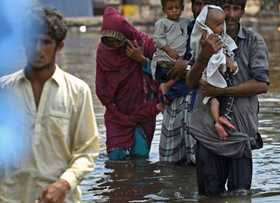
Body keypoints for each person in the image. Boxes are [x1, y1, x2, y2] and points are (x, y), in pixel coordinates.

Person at [0, 7, 99, 203]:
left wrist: (63, 184)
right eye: (32, 40)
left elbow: (87, 152)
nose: (37, 48)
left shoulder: (77, 92)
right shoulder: (4, 90)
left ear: (59, 46)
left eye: (45, 42)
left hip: (61, 198)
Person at [187, 0, 269, 196]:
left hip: (239, 131)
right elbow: (190, 83)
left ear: (242, 11)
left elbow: (261, 84)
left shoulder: (253, 41)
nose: (231, 14)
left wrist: (221, 92)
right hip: (208, 132)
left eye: (236, 8)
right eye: (226, 8)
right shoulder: (202, 39)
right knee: (208, 195)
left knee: (240, 194)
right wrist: (204, 57)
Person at [96, 7, 160, 161]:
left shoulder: (144, 44)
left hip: (143, 112)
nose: (112, 45)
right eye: (108, 41)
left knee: (141, 159)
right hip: (116, 115)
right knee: (116, 158)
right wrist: (115, 111)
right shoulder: (104, 52)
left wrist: (142, 60)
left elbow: (165, 72)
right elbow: (101, 85)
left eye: (116, 40)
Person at [158, 0, 205, 165]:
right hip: (179, 98)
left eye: (204, 5)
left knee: (197, 161)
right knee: (170, 161)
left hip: (199, 103)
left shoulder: (219, 32)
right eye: (197, 4)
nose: (200, 10)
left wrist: (187, 66)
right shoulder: (188, 28)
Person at [190, 5, 238, 139]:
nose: (222, 28)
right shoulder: (206, 38)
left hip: (218, 74)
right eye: (217, 25)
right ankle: (217, 121)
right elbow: (213, 54)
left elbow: (225, 49)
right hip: (208, 74)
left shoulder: (219, 36)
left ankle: (220, 119)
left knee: (220, 98)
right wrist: (227, 61)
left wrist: (230, 60)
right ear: (206, 25)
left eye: (222, 24)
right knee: (214, 98)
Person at [152, 0, 190, 110]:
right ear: (164, 10)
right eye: (170, 8)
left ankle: (164, 99)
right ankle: (166, 94)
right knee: (185, 79)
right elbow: (157, 39)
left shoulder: (185, 23)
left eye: (177, 8)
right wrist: (168, 50)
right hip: (165, 61)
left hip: (178, 61)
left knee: (187, 80)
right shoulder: (162, 23)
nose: (174, 11)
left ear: (182, 8)